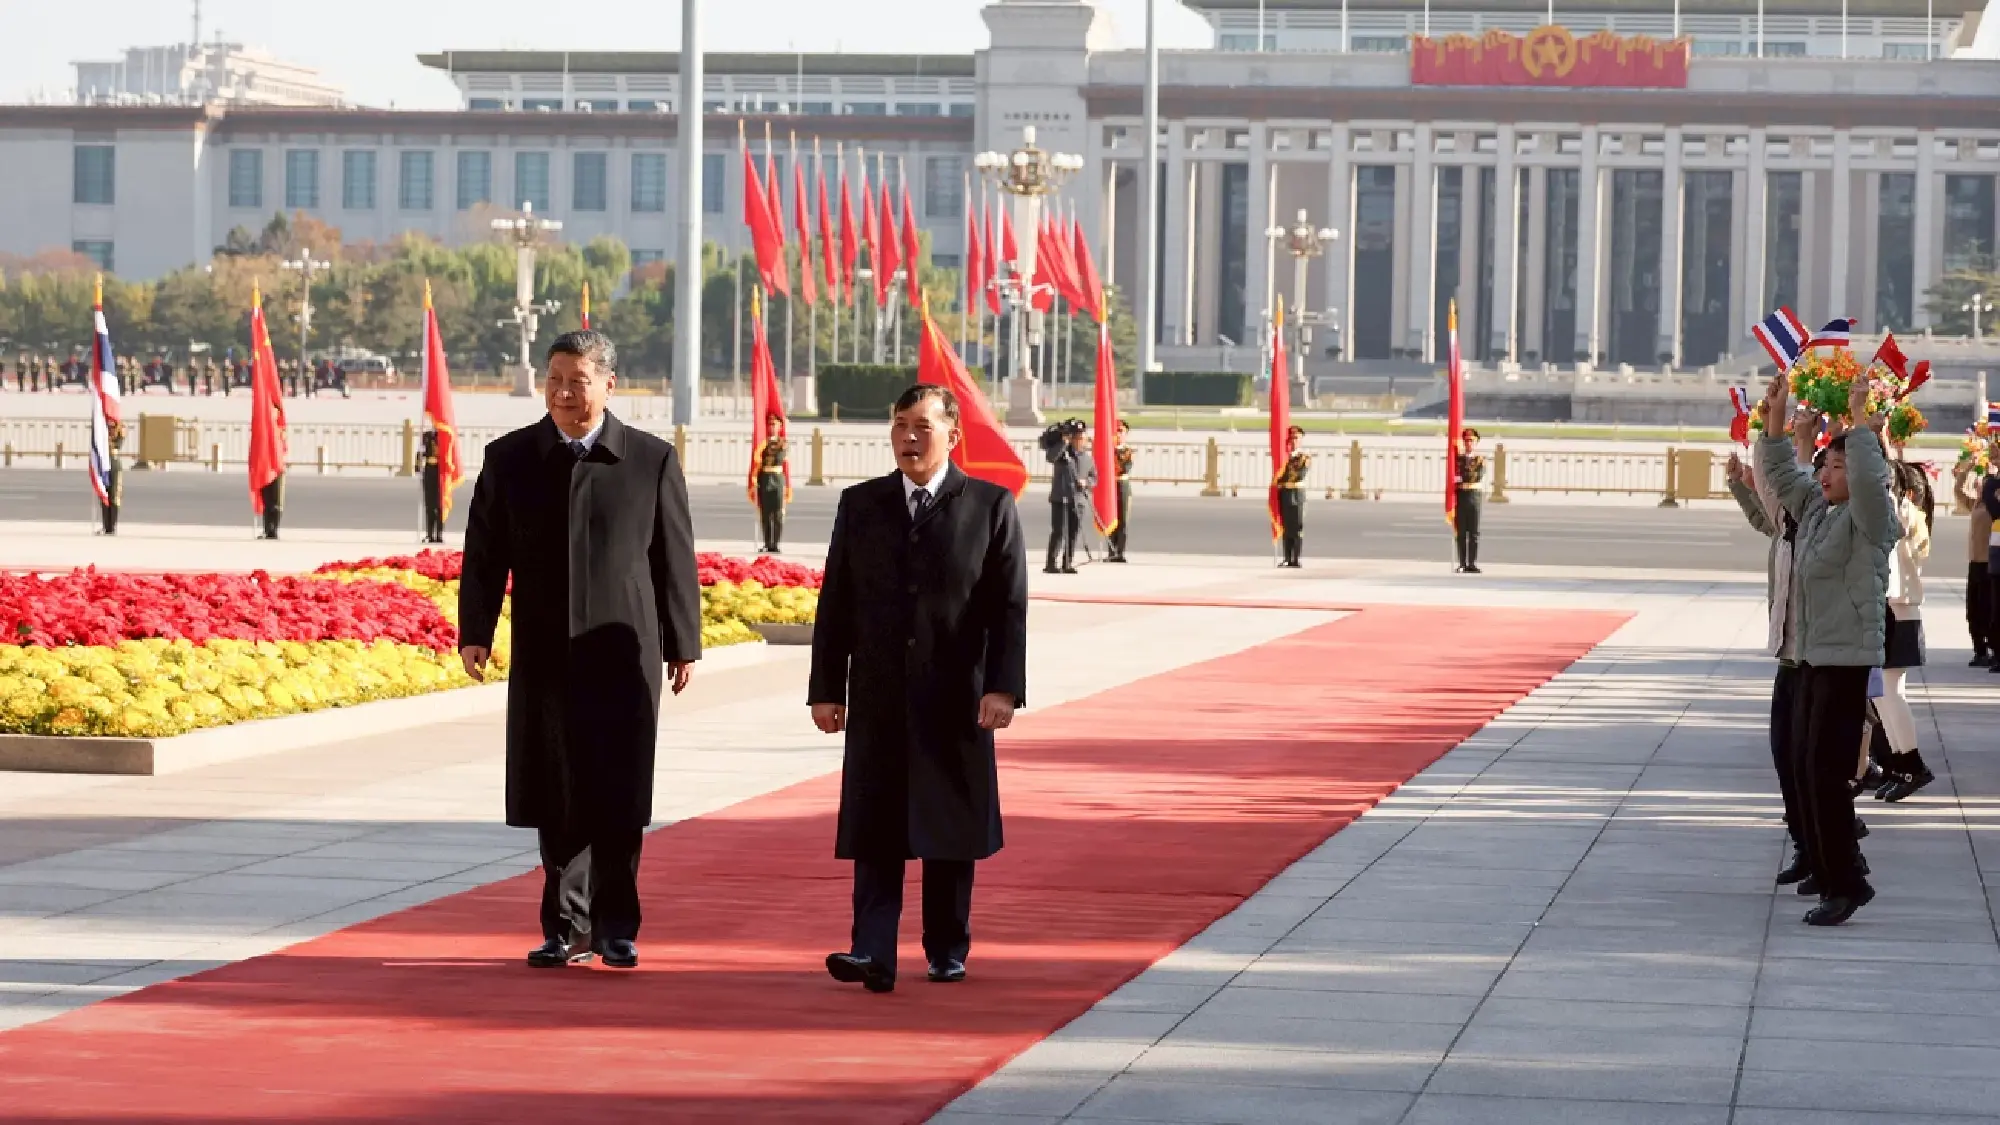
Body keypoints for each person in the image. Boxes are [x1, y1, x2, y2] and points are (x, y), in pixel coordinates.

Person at [459, 330, 703, 972]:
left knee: (619, 792)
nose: (565, 393)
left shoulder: (650, 460)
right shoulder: (511, 458)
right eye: (556, 380)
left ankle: (617, 926)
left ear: (609, 385)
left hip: (626, 655)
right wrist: (475, 629)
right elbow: (484, 554)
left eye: (579, 381)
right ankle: (564, 926)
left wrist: (683, 643)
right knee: (556, 788)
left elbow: (674, 558)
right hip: (546, 653)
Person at [810, 383, 1029, 994]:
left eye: (922, 426)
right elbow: (837, 604)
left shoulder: (989, 505)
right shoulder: (862, 504)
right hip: (879, 693)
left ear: (952, 435)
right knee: (876, 827)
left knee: (947, 825)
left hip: (957, 694)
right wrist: (827, 688)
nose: (909, 437)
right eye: (900, 424)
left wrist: (1004, 687)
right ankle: (872, 952)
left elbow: (1007, 608)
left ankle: (946, 946)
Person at [1756, 371, 1899, 926]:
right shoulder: (1818, 512)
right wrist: (1777, 416)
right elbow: (1779, 476)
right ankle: (1830, 866)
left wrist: (1859, 422)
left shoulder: (1868, 517)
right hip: (1815, 657)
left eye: (1839, 466)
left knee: (1824, 771)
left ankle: (1847, 881)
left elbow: (1867, 478)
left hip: (1846, 661)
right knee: (1805, 764)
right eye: (1827, 465)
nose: (1828, 473)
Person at [1871, 460, 1933, 802]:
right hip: (1895, 609)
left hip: (1899, 610)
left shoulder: (1903, 512)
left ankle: (1912, 764)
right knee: (1884, 694)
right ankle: (1900, 764)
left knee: (1889, 692)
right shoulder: (1901, 511)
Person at [1043, 419, 1085, 574]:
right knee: (1058, 531)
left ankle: (1067, 563)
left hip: (1076, 499)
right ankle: (1051, 563)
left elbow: (1093, 474)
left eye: (1081, 436)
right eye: (1076, 436)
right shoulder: (1061, 451)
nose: (1079, 439)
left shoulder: (1083, 455)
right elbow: (1050, 458)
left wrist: (1086, 482)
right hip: (1059, 497)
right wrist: (1063, 442)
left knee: (1073, 532)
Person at [1275, 425, 1310, 568]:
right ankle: (1287, 557)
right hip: (1285, 494)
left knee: (1297, 528)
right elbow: (1279, 476)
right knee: (1286, 527)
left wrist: (1283, 479)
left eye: (1296, 438)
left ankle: (1296, 558)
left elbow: (1298, 475)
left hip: (1297, 495)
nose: (1294, 441)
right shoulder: (1285, 458)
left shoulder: (1304, 457)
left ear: (1301, 439)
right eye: (1292, 438)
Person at [1454, 427, 1487, 574]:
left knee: (1474, 532)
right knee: (1461, 532)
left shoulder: (1480, 459)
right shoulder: (1458, 459)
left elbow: (1476, 476)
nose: (1469, 444)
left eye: (1471, 441)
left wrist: (1461, 477)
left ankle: (1472, 563)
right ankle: (1462, 563)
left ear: (1476, 443)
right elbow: (1454, 475)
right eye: (1466, 441)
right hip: (1461, 496)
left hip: (1474, 496)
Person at [756, 414, 788, 554]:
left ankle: (776, 543)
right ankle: (767, 543)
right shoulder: (762, 442)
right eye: (770, 424)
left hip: (777, 478)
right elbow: (758, 459)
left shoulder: (783, 442)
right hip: (764, 478)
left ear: (780, 426)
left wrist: (768, 447)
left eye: (775, 425)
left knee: (778, 513)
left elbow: (778, 458)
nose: (772, 427)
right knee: (765, 513)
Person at [1108, 419, 1133, 563]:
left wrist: (1116, 452)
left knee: (1123, 521)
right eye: (1116, 431)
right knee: (1112, 520)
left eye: (1121, 431)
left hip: (1123, 485)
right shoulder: (1109, 450)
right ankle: (1111, 550)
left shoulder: (1127, 450)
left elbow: (1124, 467)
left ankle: (1120, 552)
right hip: (1111, 485)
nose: (1118, 434)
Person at [417, 429, 446, 544]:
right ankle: (429, 534)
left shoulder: (445, 435)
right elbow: (420, 453)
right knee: (429, 505)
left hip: (441, 472)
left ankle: (439, 534)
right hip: (429, 471)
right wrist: (418, 466)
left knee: (439, 506)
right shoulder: (427, 436)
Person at [99, 419, 126, 535]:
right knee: (104, 496)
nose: (110, 428)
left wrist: (115, 431)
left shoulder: (119, 432)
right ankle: (106, 526)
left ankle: (112, 526)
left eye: (112, 426)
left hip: (114, 466)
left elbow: (118, 443)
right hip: (104, 465)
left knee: (115, 496)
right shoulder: (101, 434)